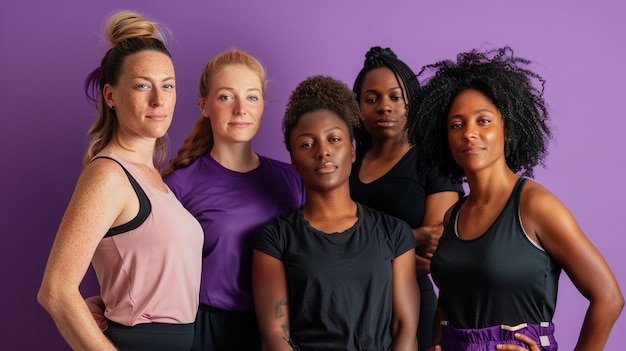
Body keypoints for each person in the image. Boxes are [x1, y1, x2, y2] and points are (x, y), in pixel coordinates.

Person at [406, 46, 624, 350]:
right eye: (457, 125)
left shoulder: (534, 205)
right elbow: (450, 299)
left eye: (483, 121)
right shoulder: (453, 215)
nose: (469, 133)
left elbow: (609, 298)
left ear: (507, 130)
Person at [37, 10, 203, 350]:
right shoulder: (108, 174)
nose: (159, 100)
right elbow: (56, 291)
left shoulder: (153, 177)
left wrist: (109, 298)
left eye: (167, 86)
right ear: (110, 96)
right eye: (143, 85)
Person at [252, 75, 420, 350]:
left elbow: (405, 330)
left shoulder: (394, 233)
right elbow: (274, 336)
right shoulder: (276, 238)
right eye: (307, 144)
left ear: (352, 151)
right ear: (293, 160)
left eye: (334, 139)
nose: (323, 152)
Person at [161, 49, 305, 350]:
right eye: (227, 97)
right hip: (206, 332)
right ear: (204, 105)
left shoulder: (293, 180)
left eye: (252, 97)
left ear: (263, 105)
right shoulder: (178, 187)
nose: (241, 109)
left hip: (285, 328)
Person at [350, 46, 463, 351]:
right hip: (349, 309)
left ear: (412, 102)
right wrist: (409, 237)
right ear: (358, 108)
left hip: (412, 306)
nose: (384, 107)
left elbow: (433, 251)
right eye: (371, 99)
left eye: (395, 97)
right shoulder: (345, 165)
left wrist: (351, 258)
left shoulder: (432, 164)